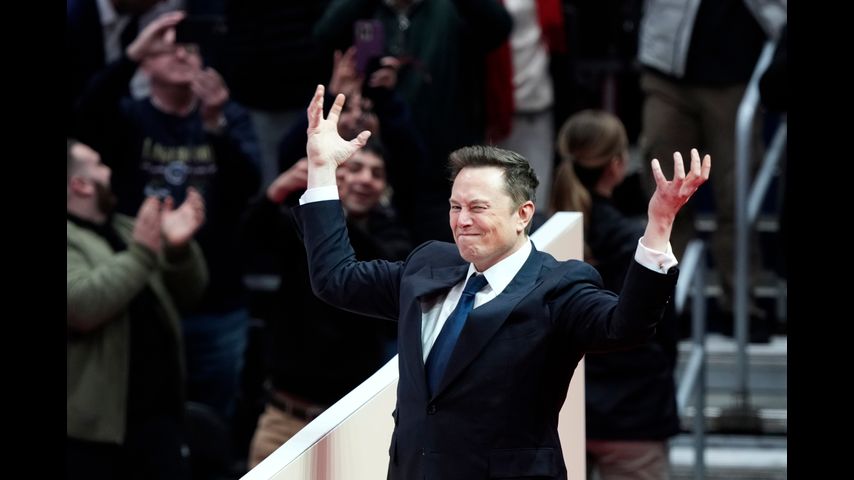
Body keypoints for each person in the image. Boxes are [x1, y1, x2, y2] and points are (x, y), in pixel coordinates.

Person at [289, 85, 709, 479]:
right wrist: (322, 170)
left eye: (477, 207)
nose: (462, 220)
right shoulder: (427, 265)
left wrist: (659, 225)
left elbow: (625, 327)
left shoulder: (558, 285)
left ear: (523, 214)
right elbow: (336, 279)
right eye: (455, 206)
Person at [73, 11, 262, 423]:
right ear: (145, 64)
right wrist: (129, 57)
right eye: (166, 48)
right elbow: (84, 122)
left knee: (213, 423)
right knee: (148, 420)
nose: (181, 54)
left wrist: (214, 125)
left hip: (218, 298)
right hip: (144, 292)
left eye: (190, 48)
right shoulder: (128, 116)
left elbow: (246, 188)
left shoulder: (228, 116)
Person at [242, 138, 412, 468]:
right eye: (355, 168)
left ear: (385, 188)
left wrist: (326, 208)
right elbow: (249, 241)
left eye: (376, 173)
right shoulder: (301, 225)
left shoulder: (392, 237)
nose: (365, 179)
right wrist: (279, 190)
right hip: (284, 418)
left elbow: (370, 261)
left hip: (351, 424)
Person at [67, 139, 208, 479]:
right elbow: (81, 306)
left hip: (158, 419)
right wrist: (143, 252)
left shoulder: (126, 228)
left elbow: (191, 293)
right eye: (99, 164)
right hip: (94, 435)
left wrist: (177, 250)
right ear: (80, 184)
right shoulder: (80, 238)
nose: (109, 171)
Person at [551, 110, 679, 479]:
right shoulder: (641, 242)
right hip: (632, 417)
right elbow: (665, 331)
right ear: (617, 165)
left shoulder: (536, 235)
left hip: (555, 413)